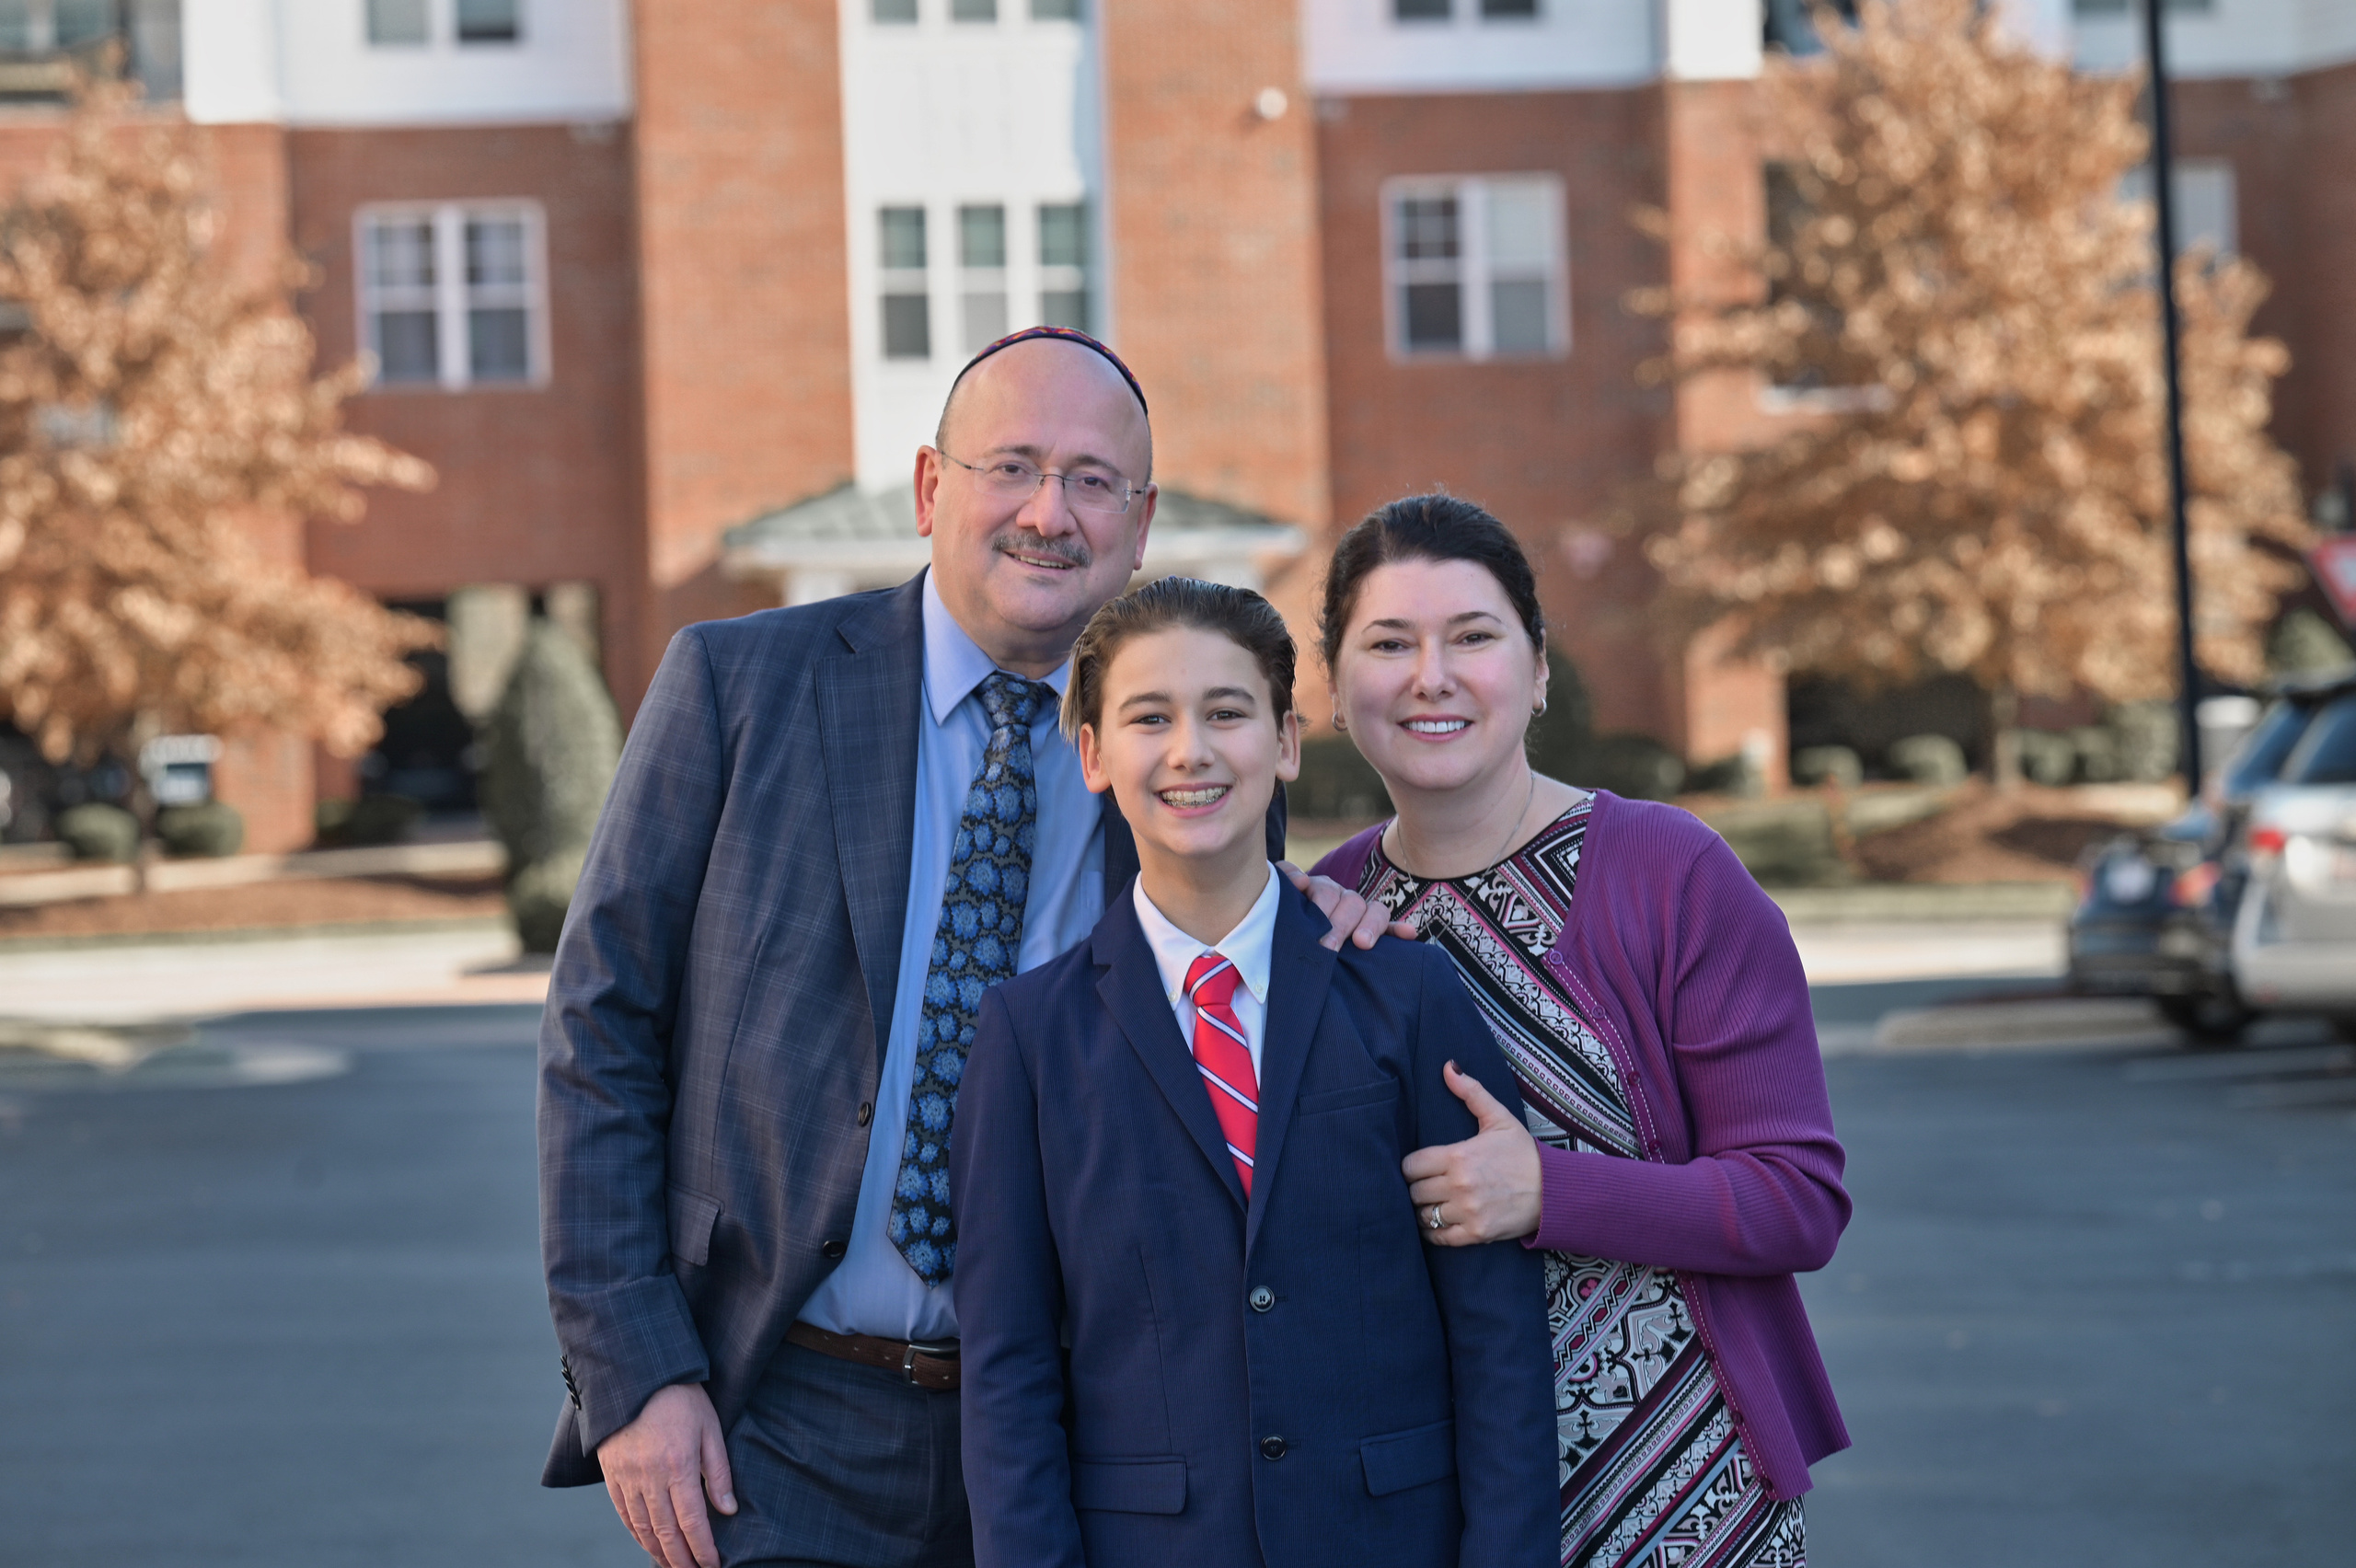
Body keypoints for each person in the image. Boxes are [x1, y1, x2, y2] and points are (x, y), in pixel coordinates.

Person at [537, 327, 1393, 1568]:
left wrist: (1329, 912)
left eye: (1094, 480)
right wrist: (636, 1373)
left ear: (1140, 523)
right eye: (1014, 467)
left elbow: (1235, 990)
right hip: (772, 1417)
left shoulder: (1177, 756)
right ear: (934, 488)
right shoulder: (739, 684)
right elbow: (601, 1027)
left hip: (1073, 1432)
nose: (1051, 512)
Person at [952, 576, 1557, 1568]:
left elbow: (1495, 1339)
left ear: (1283, 742)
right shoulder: (1028, 1038)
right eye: (1151, 718)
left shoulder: (1404, 996)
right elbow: (1009, 1371)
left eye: (1226, 713)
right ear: (1095, 755)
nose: (1190, 749)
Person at [1309, 494, 1852, 1568]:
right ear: (1332, 684)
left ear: (1538, 666)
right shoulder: (1325, 910)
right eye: (1387, 643)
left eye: (1472, 636)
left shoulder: (1669, 872)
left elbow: (1798, 1198)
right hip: (1429, 1494)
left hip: (1682, 1489)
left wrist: (1547, 1192)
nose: (1432, 676)